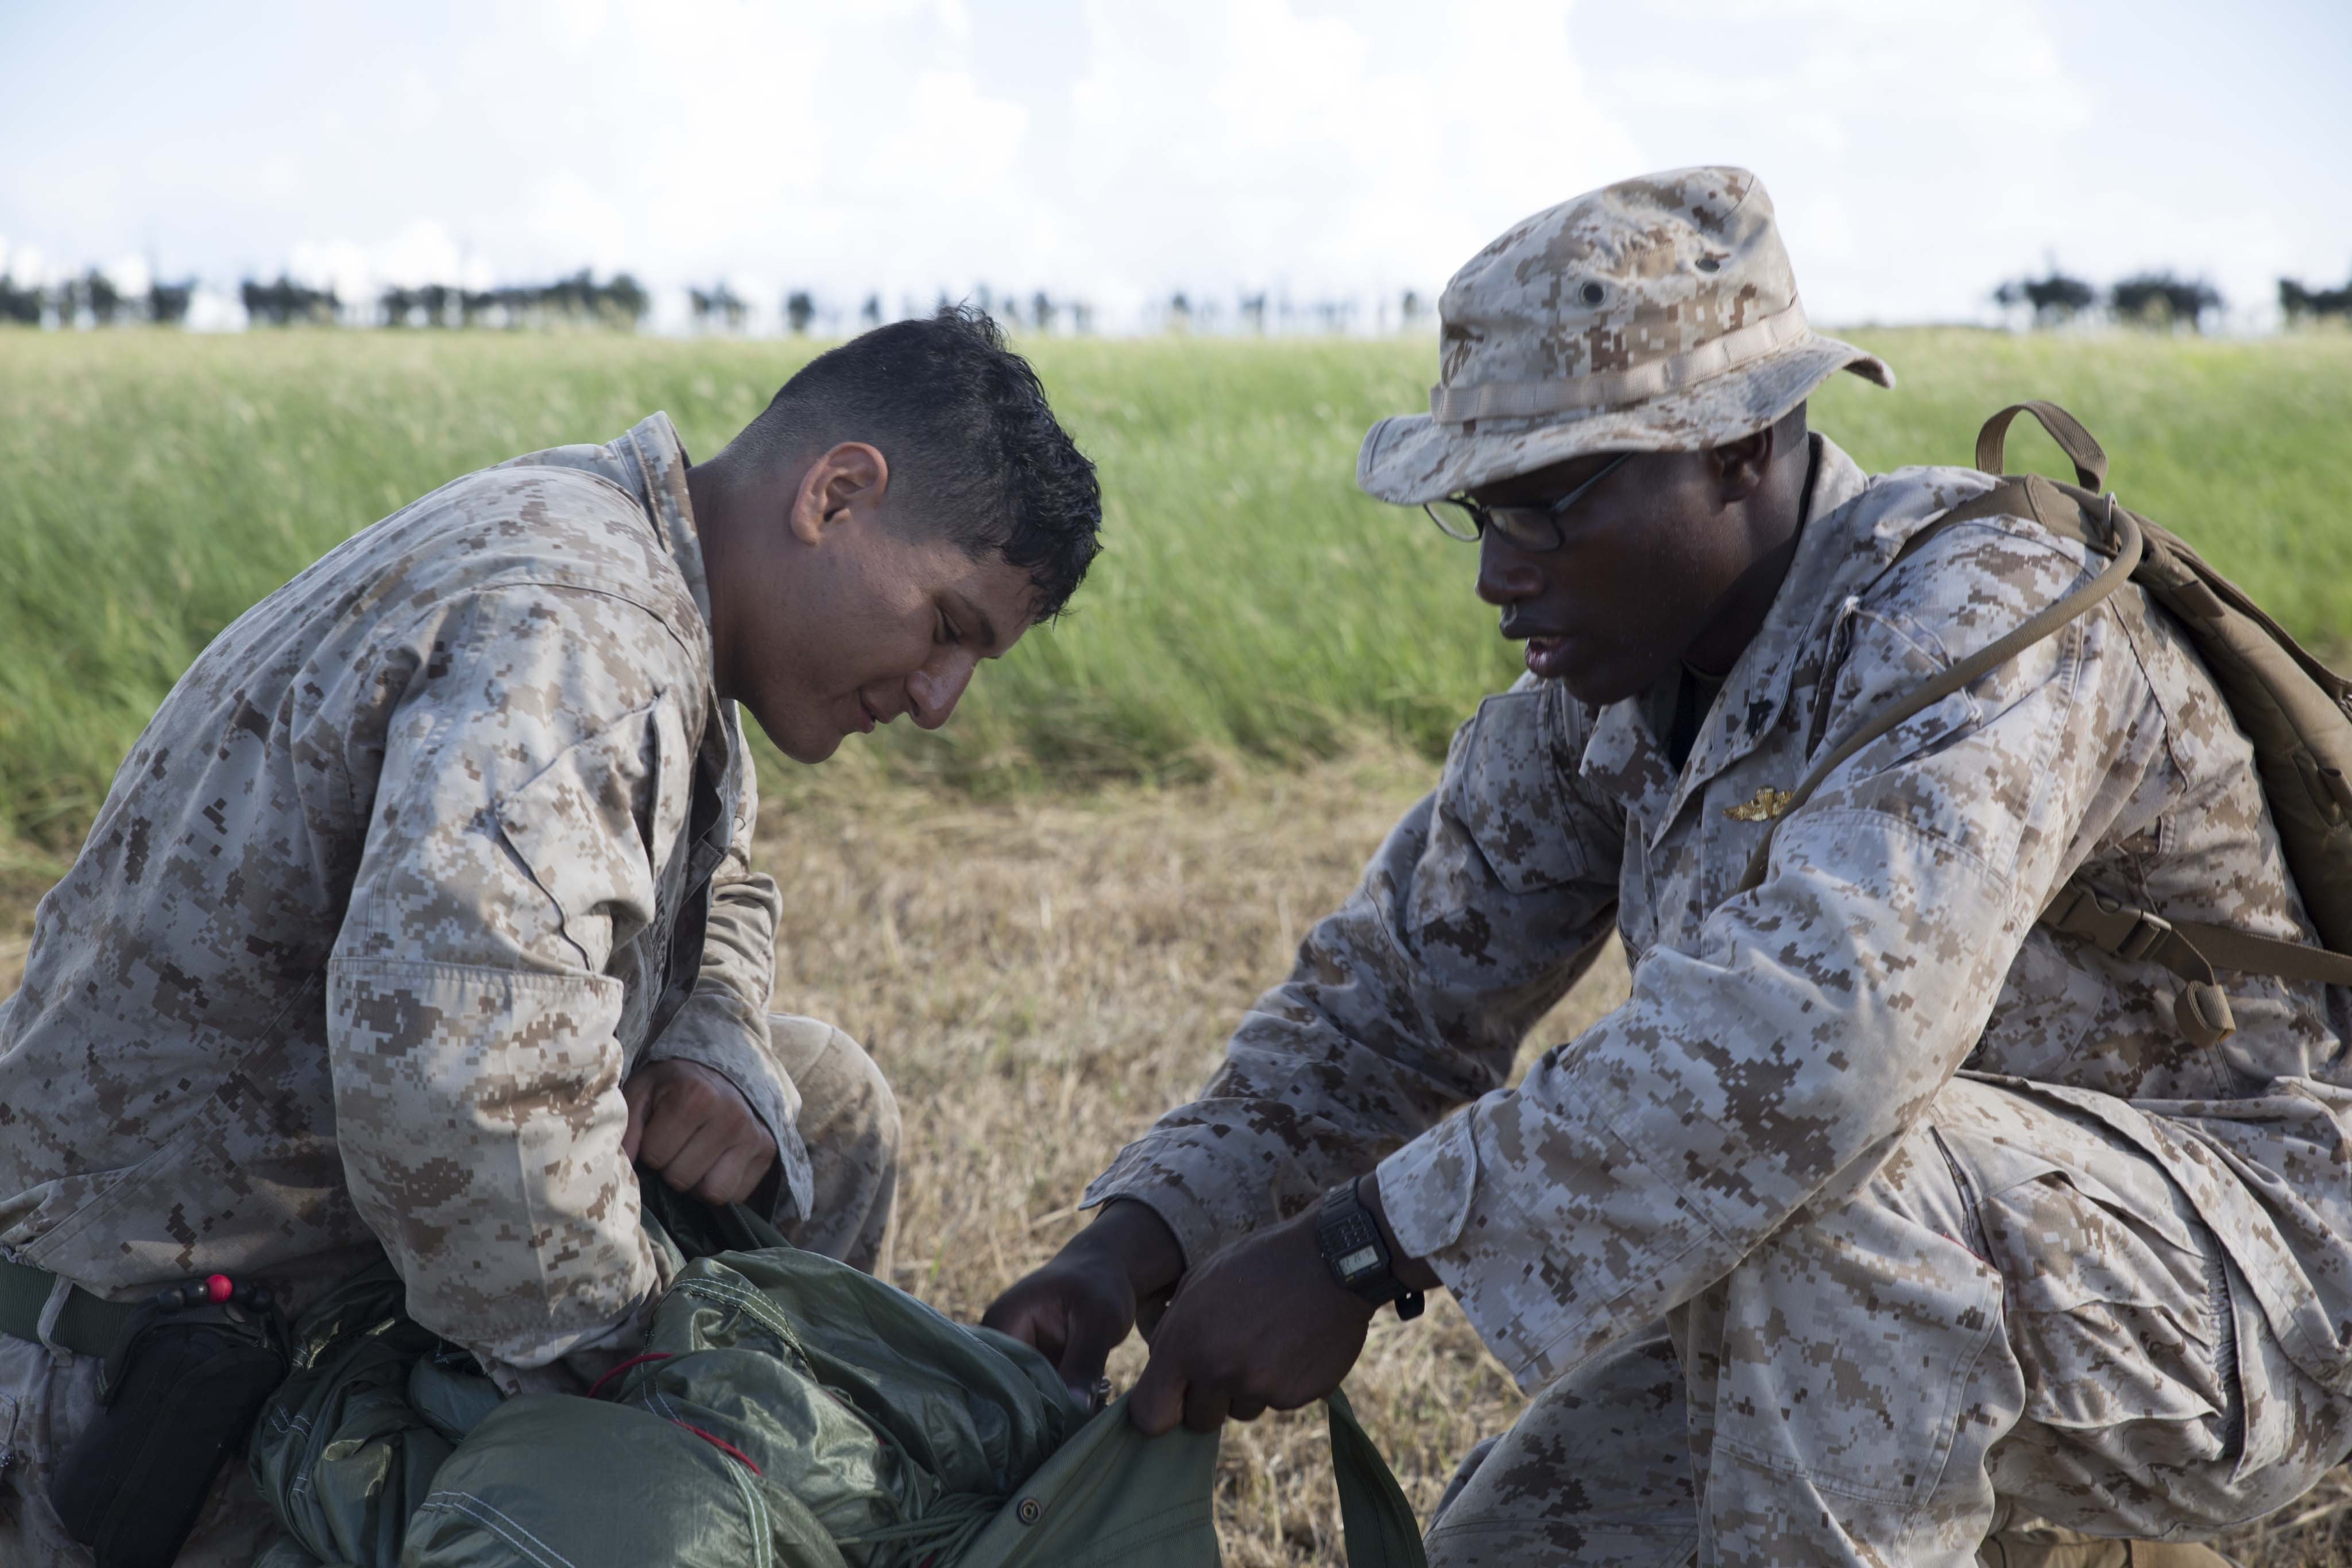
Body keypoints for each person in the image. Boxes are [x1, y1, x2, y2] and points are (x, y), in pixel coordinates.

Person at [985, 169, 2352, 1565]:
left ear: (1736, 448)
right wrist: (1135, 1239)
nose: (1494, 575)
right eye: (1480, 513)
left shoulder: (1980, 613)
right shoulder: (1609, 694)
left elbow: (1825, 1045)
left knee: (1835, 1167)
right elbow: (1388, 1011)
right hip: (1883, 1283)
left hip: (2239, 1294)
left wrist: (1363, 1245)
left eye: (1546, 507)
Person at [0, 305, 1101, 1565]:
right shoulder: (586, 636)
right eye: (948, 628)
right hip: (169, 1366)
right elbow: (467, 1103)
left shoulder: (649, 567)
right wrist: (690, 1391)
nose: (937, 700)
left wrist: (716, 1039)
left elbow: (712, 876)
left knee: (819, 1100)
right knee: (690, 1493)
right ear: (837, 495)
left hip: (334, 1263)